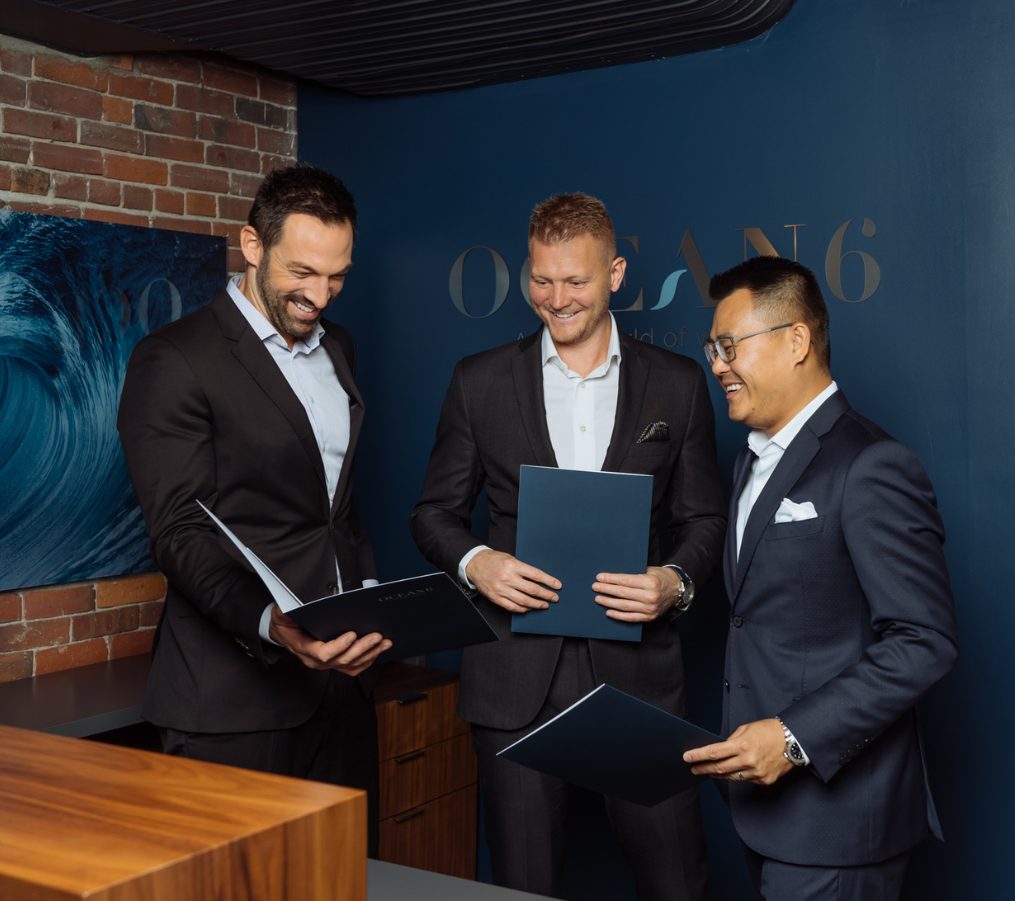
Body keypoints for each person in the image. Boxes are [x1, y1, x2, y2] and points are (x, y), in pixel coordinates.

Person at [411, 192, 726, 900]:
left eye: (575, 281)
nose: (556, 299)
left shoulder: (676, 385)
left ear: (614, 273)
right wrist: (477, 562)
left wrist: (674, 580)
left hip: (640, 676)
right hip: (513, 681)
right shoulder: (478, 380)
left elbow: (705, 518)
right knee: (523, 886)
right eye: (541, 279)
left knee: (678, 881)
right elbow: (431, 512)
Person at [117, 164, 390, 846]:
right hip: (231, 704)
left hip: (341, 696)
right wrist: (273, 623)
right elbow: (179, 531)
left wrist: (371, 600)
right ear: (251, 244)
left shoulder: (341, 348)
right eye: (302, 272)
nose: (320, 294)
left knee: (348, 882)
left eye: (337, 276)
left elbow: (335, 511)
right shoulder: (174, 360)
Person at [683, 256, 959, 900]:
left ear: (797, 341)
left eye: (729, 346)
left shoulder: (871, 464)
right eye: (712, 348)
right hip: (765, 815)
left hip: (839, 824)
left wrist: (792, 737)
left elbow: (924, 640)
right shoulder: (753, 462)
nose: (717, 364)